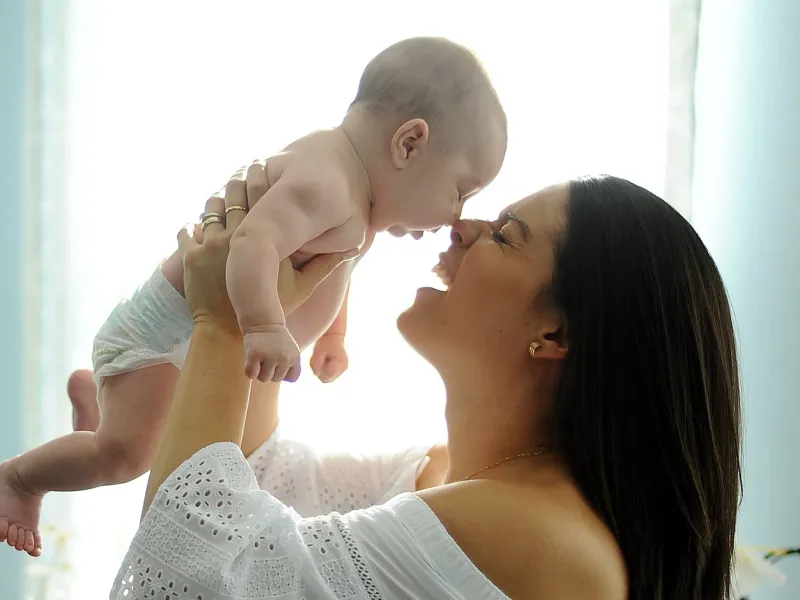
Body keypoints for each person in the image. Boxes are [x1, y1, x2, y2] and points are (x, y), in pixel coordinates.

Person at [111, 174, 741, 599]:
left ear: (557, 332)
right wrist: (268, 311)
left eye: (505, 235)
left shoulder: (536, 535)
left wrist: (223, 323)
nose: (461, 227)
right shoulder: (450, 481)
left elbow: (183, 576)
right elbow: (264, 475)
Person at [0, 36, 508, 554]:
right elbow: (251, 245)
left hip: (183, 351)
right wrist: (264, 326)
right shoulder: (328, 184)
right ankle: (19, 480)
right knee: (125, 457)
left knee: (181, 444)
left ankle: (101, 402)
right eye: (461, 190)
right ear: (409, 143)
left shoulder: (358, 205)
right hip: (160, 341)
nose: (456, 217)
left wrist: (334, 333)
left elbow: (339, 269)